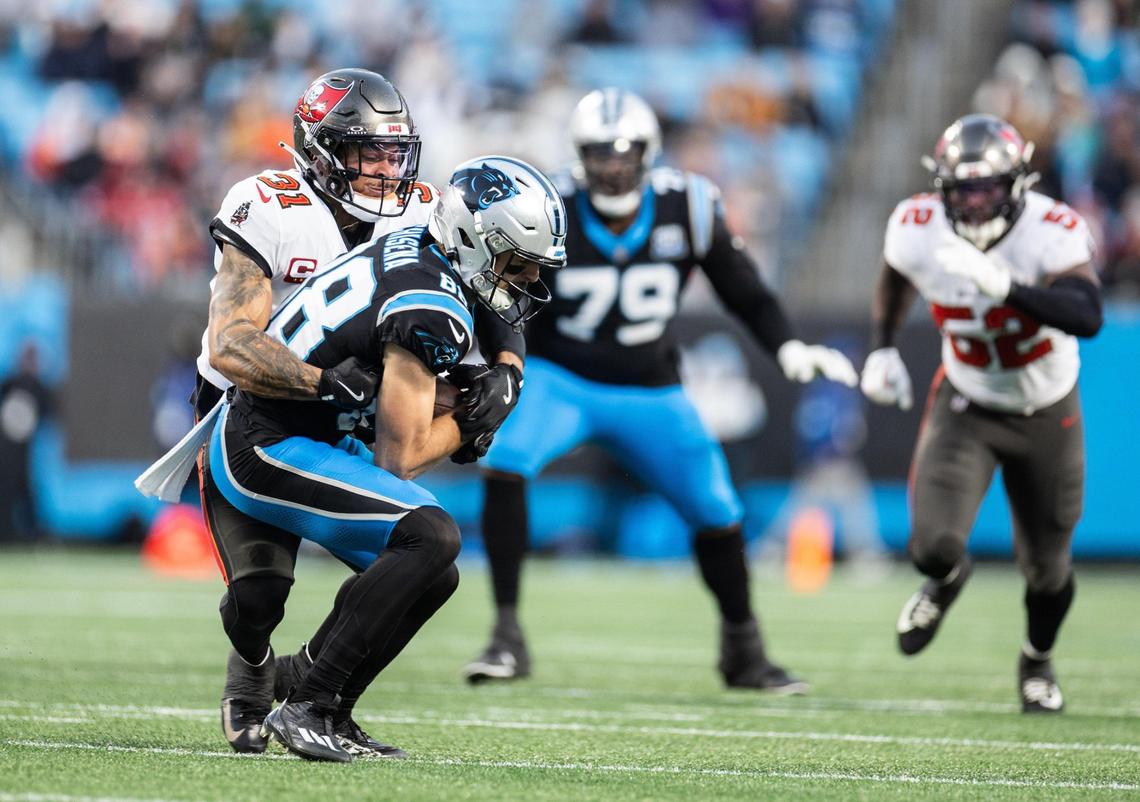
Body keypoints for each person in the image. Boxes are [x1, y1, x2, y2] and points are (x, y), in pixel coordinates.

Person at [462, 88, 858, 691]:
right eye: (600, 154)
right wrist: (503, 362)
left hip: (651, 386)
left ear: (648, 155)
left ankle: (744, 649)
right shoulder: (553, 206)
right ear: (579, 156)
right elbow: (504, 295)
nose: (614, 167)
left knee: (717, 507)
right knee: (506, 460)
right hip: (563, 380)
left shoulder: (689, 206)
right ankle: (506, 635)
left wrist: (787, 346)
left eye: (625, 154)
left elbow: (743, 289)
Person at [205, 154, 566, 762]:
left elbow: (484, 331)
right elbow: (399, 460)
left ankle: (326, 701)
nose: (526, 283)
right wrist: (472, 421)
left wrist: (501, 378)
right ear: (479, 245)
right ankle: (307, 704)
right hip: (265, 442)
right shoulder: (432, 304)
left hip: (313, 431)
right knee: (430, 538)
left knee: (434, 569)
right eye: (517, 265)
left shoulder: (428, 247)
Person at [193, 68, 442, 754]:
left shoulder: (423, 210)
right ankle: (252, 669)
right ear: (321, 149)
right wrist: (323, 382)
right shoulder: (268, 202)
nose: (387, 169)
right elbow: (233, 345)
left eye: (396, 152)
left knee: (416, 560)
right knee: (260, 595)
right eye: (368, 151)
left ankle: (314, 691)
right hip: (249, 417)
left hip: (346, 425)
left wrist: (498, 374)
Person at [860, 113, 1102, 713]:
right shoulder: (917, 226)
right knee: (931, 546)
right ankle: (946, 581)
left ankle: (1036, 661)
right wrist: (884, 346)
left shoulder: (1051, 230)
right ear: (941, 186)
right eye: (961, 189)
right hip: (967, 400)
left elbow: (1087, 314)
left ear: (1017, 183)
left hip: (1047, 408)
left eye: (987, 188)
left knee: (1048, 571)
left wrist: (1006, 286)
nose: (972, 203)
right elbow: (894, 279)